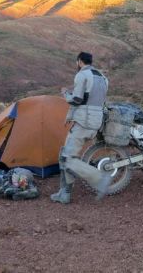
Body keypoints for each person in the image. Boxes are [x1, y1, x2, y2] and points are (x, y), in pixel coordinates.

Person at [50, 51, 109, 204]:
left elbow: (77, 100)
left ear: (79, 61)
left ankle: (99, 178)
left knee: (67, 158)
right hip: (95, 122)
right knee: (65, 154)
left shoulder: (82, 75)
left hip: (83, 122)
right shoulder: (103, 77)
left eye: (77, 62)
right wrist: (70, 117)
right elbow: (90, 100)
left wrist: (65, 94)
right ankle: (64, 193)